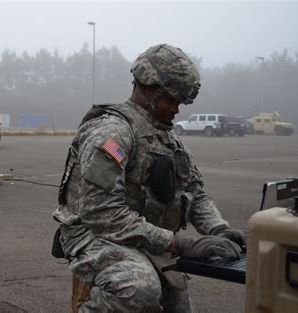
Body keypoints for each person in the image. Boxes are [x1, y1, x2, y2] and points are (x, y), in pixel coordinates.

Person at [52, 44, 247, 312]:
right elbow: (102, 214)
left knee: (178, 306)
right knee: (139, 290)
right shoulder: (112, 133)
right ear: (147, 87)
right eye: (171, 100)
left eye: (180, 102)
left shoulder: (166, 137)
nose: (176, 110)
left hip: (142, 235)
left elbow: (194, 191)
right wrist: (179, 243)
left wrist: (218, 229)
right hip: (94, 234)